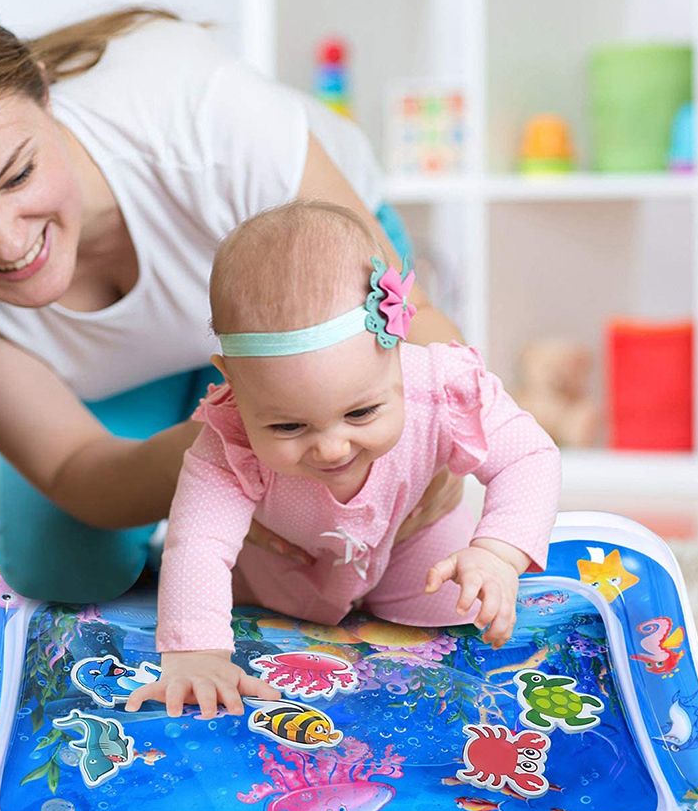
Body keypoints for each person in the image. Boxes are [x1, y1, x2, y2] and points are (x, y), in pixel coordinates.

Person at [0, 0, 466, 603]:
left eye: (17, 175)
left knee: (377, 533)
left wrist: (437, 445)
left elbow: (422, 325)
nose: (6, 242)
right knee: (58, 565)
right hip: (144, 375)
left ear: (45, 93)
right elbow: (77, 470)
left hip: (312, 283)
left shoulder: (198, 112)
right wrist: (219, 458)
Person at [125, 201, 562, 720]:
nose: (332, 448)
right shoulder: (231, 438)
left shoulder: (442, 388)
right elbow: (199, 542)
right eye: (288, 426)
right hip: (282, 565)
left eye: (361, 412)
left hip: (412, 541)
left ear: (398, 349)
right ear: (233, 383)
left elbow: (529, 457)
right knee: (249, 620)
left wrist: (496, 552)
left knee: (461, 624)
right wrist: (197, 651)